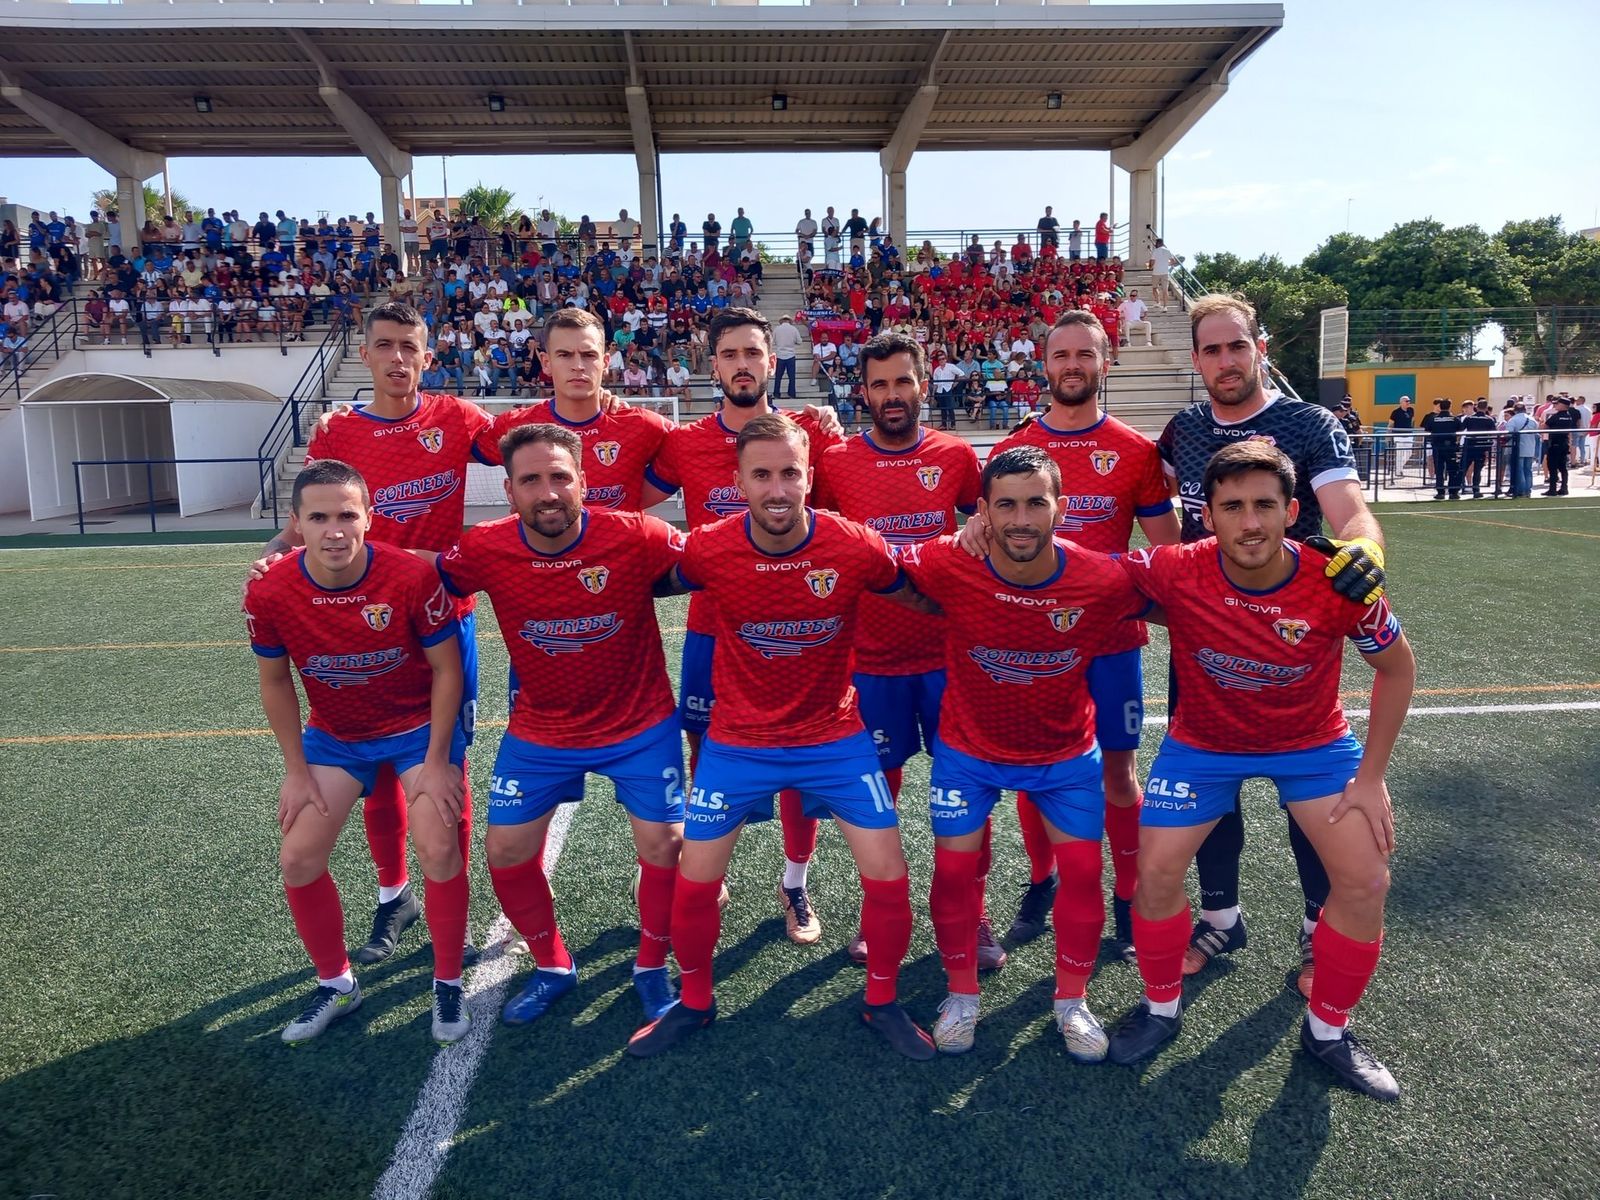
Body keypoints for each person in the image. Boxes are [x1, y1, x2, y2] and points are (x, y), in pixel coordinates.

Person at [1105, 440, 1415, 1103]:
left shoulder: (1336, 579)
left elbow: (1397, 668)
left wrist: (1371, 777)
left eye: (1265, 506)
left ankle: (1328, 1030)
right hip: (1204, 744)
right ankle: (1161, 1009)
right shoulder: (1173, 568)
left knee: (1365, 879)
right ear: (1208, 516)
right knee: (1153, 873)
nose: (1250, 523)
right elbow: (1078, 569)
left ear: (1292, 511)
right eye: (1233, 507)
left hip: (1313, 744)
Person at [626, 414, 935, 1061]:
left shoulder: (852, 545)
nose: (776, 488)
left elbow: (928, 594)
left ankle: (882, 1002)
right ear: (738, 481)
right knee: (697, 879)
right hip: (737, 741)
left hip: (835, 738)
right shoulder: (710, 547)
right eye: (760, 474)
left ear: (810, 477)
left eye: (789, 473)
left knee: (889, 874)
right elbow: (644, 583)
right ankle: (696, 1004)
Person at [1156, 293, 1387, 999]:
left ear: (1260, 349)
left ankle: (1320, 928)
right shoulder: (1184, 429)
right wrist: (1175, 583)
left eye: (1236, 346)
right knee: (1208, 787)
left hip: (1294, 641)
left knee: (1308, 794)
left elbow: (1350, 511)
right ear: (1196, 360)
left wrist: (1367, 553)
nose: (1225, 361)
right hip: (1205, 640)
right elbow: (1149, 503)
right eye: (1211, 350)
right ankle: (1221, 917)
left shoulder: (1306, 422)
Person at [251, 303, 490, 968]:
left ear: (428, 356)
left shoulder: (458, 419)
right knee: (375, 769)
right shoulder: (336, 433)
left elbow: (539, 440)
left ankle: (451, 911)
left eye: (409, 346)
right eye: (384, 345)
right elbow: (306, 519)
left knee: (444, 771)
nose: (397, 358)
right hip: (358, 621)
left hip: (445, 622)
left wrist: (595, 393)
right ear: (365, 353)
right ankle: (394, 896)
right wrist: (272, 551)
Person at [432, 423, 691, 1027]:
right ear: (508, 488)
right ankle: (553, 963)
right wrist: (297, 559)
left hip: (639, 723)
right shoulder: (485, 548)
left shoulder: (635, 534)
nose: (547, 492)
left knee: (665, 845)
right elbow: (414, 577)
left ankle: (651, 964)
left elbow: (715, 561)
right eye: (531, 481)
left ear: (583, 481)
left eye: (559, 477)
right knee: (504, 849)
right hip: (542, 730)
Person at [903, 446, 1151, 1058]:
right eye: (1005, 505)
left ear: (1059, 509)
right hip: (967, 750)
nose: (1021, 519)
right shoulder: (947, 561)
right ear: (981, 511)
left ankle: (1071, 1000)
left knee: (1085, 874)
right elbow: (868, 561)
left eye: (1035, 503)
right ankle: (961, 994)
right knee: (955, 872)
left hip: (1064, 755)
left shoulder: (1100, 576)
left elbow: (1191, 585)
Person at [962, 311, 1179, 958]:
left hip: (1111, 642)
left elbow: (1168, 554)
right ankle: (1042, 881)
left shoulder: (1137, 452)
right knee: (1036, 771)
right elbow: (984, 537)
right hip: (1032, 644)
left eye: (1086, 354)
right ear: (1045, 364)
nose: (1073, 365)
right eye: (1062, 354)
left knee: (1118, 773)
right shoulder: (1012, 451)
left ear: (1105, 363)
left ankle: (1128, 896)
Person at [245, 459, 471, 1045]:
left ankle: (447, 981)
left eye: (347, 514)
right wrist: (296, 771)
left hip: (417, 728)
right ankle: (337, 985)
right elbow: (275, 682)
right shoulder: (270, 588)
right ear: (296, 524)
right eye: (318, 517)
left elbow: (447, 671)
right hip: (337, 736)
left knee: (439, 844)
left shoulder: (408, 576)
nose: (335, 529)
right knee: (298, 857)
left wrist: (442, 756)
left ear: (369, 518)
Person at [644, 309, 845, 944]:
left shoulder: (808, 434)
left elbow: (843, 510)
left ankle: (794, 883)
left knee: (796, 763)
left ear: (772, 362)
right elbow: (624, 493)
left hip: (802, 630)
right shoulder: (684, 443)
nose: (741, 364)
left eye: (752, 353)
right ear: (713, 365)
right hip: (714, 627)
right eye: (728, 353)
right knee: (705, 752)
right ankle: (713, 869)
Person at [811, 332, 983, 964]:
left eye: (902, 382)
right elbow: (816, 539)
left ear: (923, 382)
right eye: (879, 384)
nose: (891, 395)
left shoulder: (957, 455)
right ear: (863, 391)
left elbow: (983, 523)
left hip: (947, 655)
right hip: (871, 659)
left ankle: (975, 915)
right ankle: (875, 912)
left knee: (962, 790)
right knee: (874, 800)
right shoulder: (835, 461)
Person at [1420, 398, 1464, 500]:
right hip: (1451, 447)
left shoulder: (1433, 419)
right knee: (1453, 470)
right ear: (1450, 407)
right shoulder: (1454, 419)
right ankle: (1453, 492)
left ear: (1440, 407)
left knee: (1439, 470)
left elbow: (1427, 431)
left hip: (1437, 447)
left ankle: (1440, 492)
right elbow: (1460, 430)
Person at [1458, 399, 1498, 498]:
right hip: (1482, 446)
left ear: (1477, 407)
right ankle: (1476, 490)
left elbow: (1461, 429)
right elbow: (1493, 433)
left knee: (1463, 468)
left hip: (1469, 446)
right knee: (1477, 470)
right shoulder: (1489, 419)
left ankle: (1455, 489)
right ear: (1485, 408)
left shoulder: (1469, 418)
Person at [1542, 395, 1580, 495]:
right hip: (1564, 443)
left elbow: (1544, 427)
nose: (1555, 405)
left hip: (1555, 443)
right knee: (1563, 467)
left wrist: (1541, 423)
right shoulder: (1568, 416)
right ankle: (1564, 488)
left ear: (1563, 405)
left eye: (1557, 403)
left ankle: (1552, 489)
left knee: (1552, 467)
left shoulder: (1556, 416)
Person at [1503, 400, 1540, 498]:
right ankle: (1528, 490)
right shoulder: (1532, 420)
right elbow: (1537, 433)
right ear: (1524, 409)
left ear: (1515, 410)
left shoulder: (1513, 420)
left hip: (1518, 447)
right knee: (1528, 469)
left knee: (1519, 470)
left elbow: (1509, 433)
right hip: (1530, 447)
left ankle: (1521, 490)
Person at [772, 312, 800, 400]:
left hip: (780, 355)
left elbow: (773, 341)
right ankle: (791, 394)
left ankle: (776, 393)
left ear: (782, 321)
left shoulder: (777, 329)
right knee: (791, 376)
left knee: (778, 376)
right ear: (789, 321)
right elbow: (799, 341)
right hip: (790, 355)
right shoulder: (794, 329)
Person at [1387, 395, 1417, 474]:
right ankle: (1398, 470)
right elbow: (1390, 424)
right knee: (1399, 453)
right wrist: (1388, 435)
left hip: (1409, 435)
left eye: (1409, 401)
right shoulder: (1395, 412)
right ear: (1401, 402)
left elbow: (1412, 421)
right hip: (1398, 435)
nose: (1408, 402)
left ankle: (1399, 467)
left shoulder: (1411, 410)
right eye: (1406, 401)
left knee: (1409, 453)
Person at [1147, 238, 1178, 311]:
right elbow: (1173, 261)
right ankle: (1165, 306)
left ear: (1158, 243)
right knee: (1165, 290)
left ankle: (1158, 302)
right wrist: (1167, 264)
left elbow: (1152, 261)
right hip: (1165, 272)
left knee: (1154, 288)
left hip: (1156, 272)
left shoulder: (1155, 251)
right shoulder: (1167, 250)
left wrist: (1150, 267)